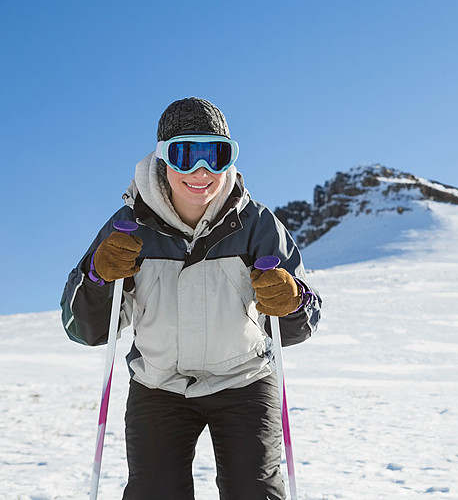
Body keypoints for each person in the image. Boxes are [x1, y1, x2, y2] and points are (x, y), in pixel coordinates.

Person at [60, 97, 322, 499]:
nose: (201, 171)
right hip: (159, 385)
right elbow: (86, 330)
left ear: (229, 161)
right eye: (184, 155)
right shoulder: (128, 229)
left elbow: (298, 326)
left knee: (254, 492)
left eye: (215, 155)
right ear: (163, 160)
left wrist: (291, 300)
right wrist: (98, 276)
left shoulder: (256, 225)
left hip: (244, 381)